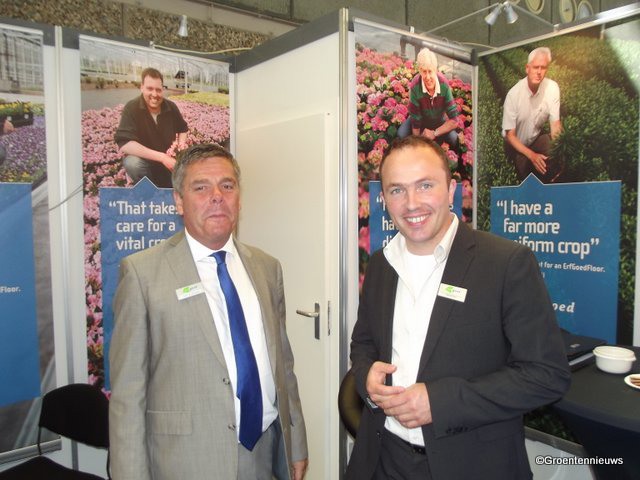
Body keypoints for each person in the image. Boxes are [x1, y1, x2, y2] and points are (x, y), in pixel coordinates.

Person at [346, 136, 570, 480]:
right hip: (383, 458)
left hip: (471, 464)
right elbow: (363, 343)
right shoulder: (380, 264)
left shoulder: (505, 264)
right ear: (384, 199)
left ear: (451, 189)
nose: (411, 203)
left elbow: (546, 376)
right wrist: (366, 377)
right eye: (397, 190)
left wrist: (439, 403)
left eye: (425, 185)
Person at [109, 143, 309, 480]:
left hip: (263, 452)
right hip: (186, 462)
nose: (217, 196)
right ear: (178, 201)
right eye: (201, 187)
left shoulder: (266, 268)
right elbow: (128, 394)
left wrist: (297, 443)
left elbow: (283, 367)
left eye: (227, 186)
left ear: (239, 198)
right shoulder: (142, 274)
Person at [114, 67, 188, 188]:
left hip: (170, 162)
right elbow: (125, 144)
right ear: (141, 87)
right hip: (146, 163)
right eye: (150, 89)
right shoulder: (132, 108)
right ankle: (151, 191)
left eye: (158, 90)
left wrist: (180, 150)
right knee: (132, 163)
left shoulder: (171, 107)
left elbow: (183, 129)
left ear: (162, 89)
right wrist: (162, 157)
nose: (154, 94)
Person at [502, 47, 563, 183]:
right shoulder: (514, 95)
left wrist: (560, 151)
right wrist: (532, 156)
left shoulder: (552, 88)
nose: (539, 72)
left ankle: (553, 179)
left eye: (543, 67)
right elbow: (510, 136)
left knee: (553, 149)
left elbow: (555, 125)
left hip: (536, 139)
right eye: (536, 67)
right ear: (527, 68)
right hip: (516, 146)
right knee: (527, 177)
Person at [398, 48, 459, 149]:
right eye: (424, 71)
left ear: (435, 70)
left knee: (454, 139)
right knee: (401, 134)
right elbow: (416, 120)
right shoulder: (415, 86)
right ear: (419, 70)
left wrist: (434, 133)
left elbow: (454, 120)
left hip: (439, 121)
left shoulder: (444, 84)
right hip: (420, 121)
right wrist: (418, 141)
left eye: (430, 71)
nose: (427, 77)